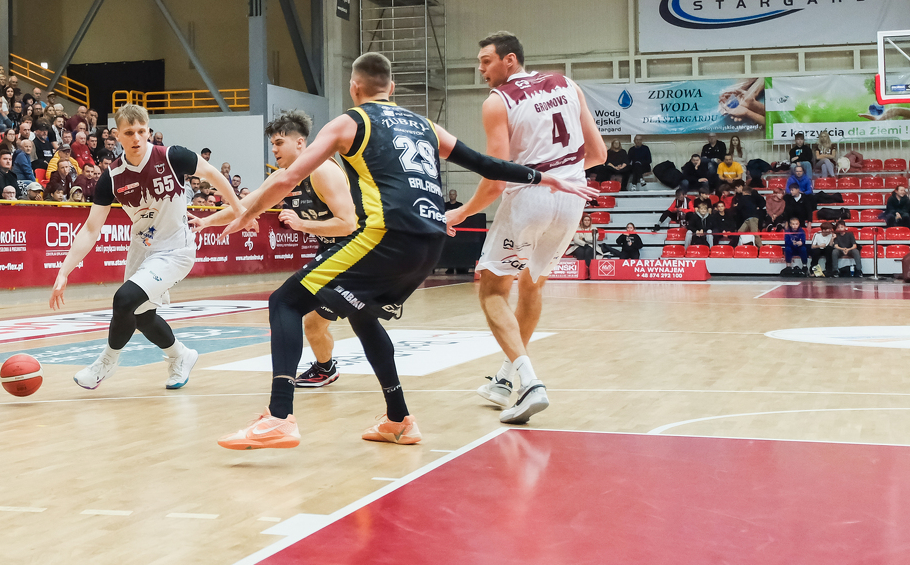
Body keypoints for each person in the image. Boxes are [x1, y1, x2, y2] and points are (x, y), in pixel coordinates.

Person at [218, 50, 588, 450]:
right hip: (432, 240)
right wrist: (540, 177)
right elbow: (484, 163)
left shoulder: (349, 121)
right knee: (362, 314)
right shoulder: (426, 125)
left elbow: (288, 177)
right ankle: (398, 420)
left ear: (354, 88)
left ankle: (278, 417)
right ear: (391, 88)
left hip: (386, 235)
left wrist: (247, 213)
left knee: (284, 302)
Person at [444, 33, 605, 426]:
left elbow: (496, 178)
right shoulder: (567, 84)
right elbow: (598, 154)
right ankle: (504, 379)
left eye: (486, 61)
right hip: (573, 197)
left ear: (509, 60)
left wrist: (462, 212)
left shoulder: (498, 101)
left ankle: (531, 384)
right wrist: (562, 177)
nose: (480, 69)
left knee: (492, 289)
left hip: (530, 197)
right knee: (532, 284)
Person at [49, 103, 242, 393]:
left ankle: (106, 362)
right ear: (117, 136)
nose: (137, 138)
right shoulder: (112, 176)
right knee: (141, 316)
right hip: (142, 248)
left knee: (124, 299)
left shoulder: (172, 156)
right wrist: (64, 271)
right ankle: (180, 355)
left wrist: (240, 211)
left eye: (142, 131)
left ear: (148, 131)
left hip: (176, 249)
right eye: (129, 133)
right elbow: (91, 229)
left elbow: (213, 175)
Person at [194, 110, 357, 389]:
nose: (274, 149)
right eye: (272, 143)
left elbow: (348, 225)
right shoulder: (283, 178)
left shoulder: (323, 172)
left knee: (302, 313)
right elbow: (246, 205)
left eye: (279, 143)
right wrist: (206, 221)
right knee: (314, 323)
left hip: (356, 253)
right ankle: (325, 368)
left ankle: (296, 380)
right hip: (330, 253)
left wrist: (302, 224)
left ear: (300, 143)